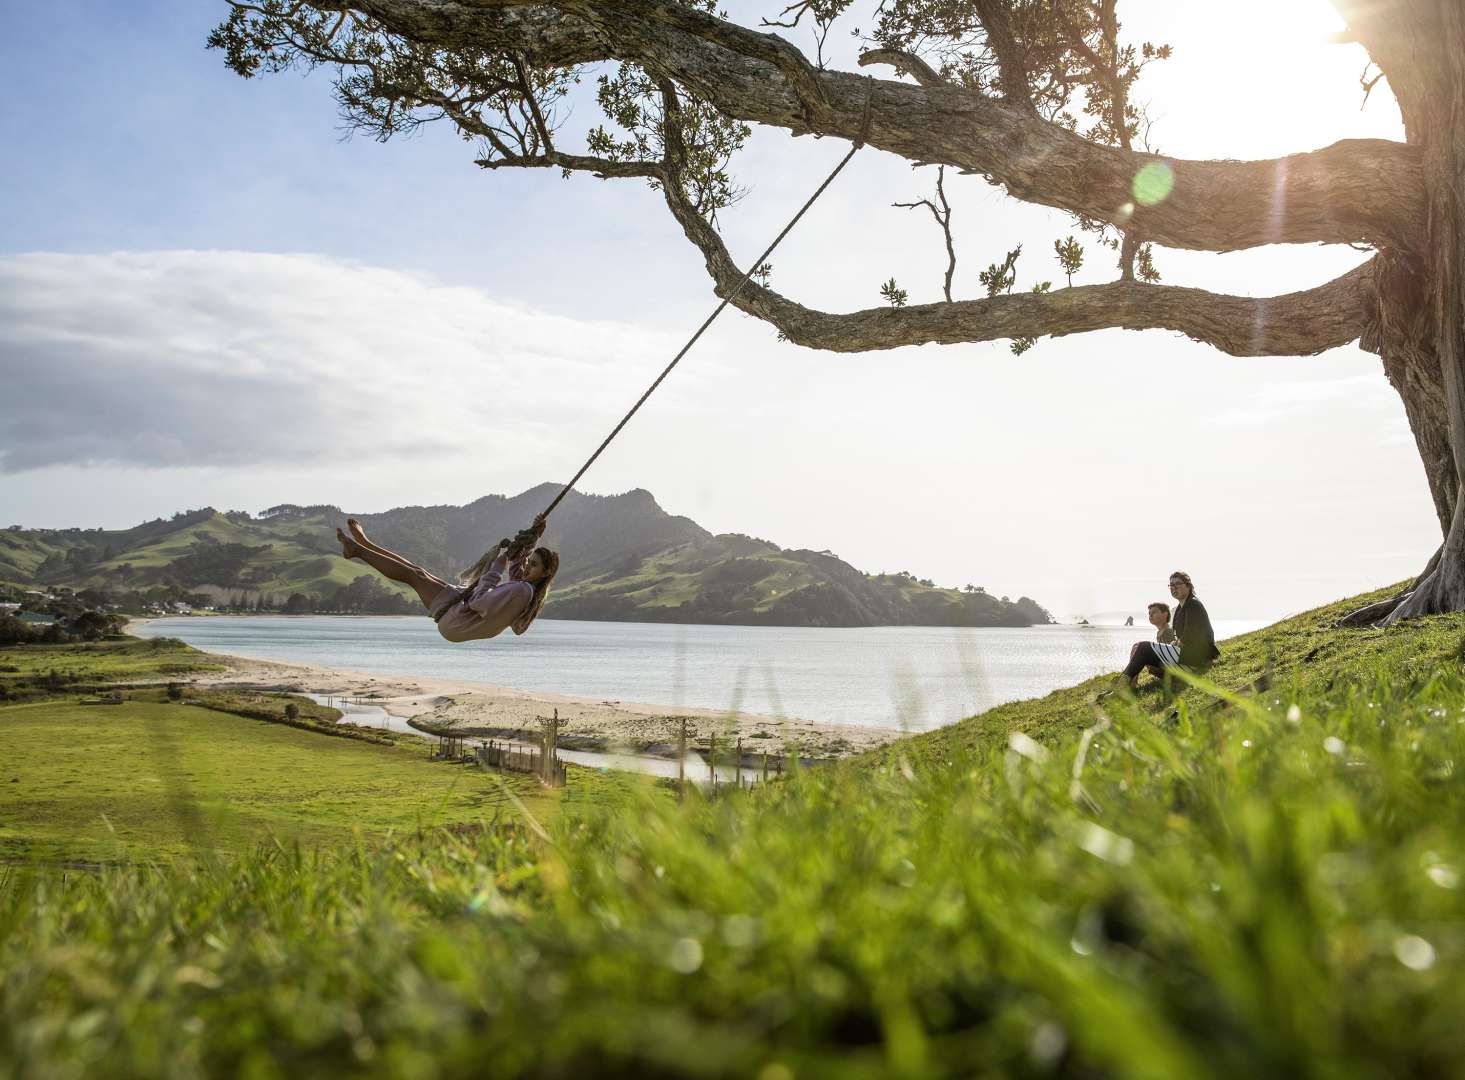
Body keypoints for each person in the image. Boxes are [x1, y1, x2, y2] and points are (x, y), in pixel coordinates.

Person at [335, 516, 559, 642]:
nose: (528, 567)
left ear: (546, 573)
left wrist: (495, 568)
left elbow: (479, 602)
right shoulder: (525, 589)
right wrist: (534, 537)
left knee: (412, 575)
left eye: (535, 565)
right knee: (417, 571)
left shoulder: (523, 591)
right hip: (461, 614)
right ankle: (366, 545)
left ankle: (357, 550)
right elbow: (518, 568)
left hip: (458, 620)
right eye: (531, 562)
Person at [1120, 571, 1220, 689]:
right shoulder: (1179, 609)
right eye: (1171, 585)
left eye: (1178, 584)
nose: (1174, 588)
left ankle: (1121, 686)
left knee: (1143, 647)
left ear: (1188, 585)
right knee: (1147, 659)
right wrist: (1176, 642)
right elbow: (1180, 637)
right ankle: (1128, 685)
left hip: (1198, 659)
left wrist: (1177, 643)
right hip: (1188, 657)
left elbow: (1189, 635)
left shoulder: (1193, 604)